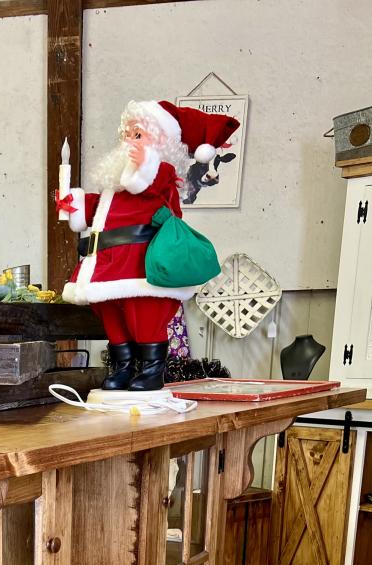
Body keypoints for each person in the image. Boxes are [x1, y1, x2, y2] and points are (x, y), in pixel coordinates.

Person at [58, 100, 239, 391]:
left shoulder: (161, 174)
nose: (129, 141)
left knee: (144, 315)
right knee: (111, 314)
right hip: (106, 265)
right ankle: (123, 368)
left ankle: (152, 370)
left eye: (138, 134)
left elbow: (149, 187)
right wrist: (74, 204)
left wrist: (145, 163)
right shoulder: (117, 185)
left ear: (162, 141)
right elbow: (99, 210)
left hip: (138, 265)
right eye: (127, 134)